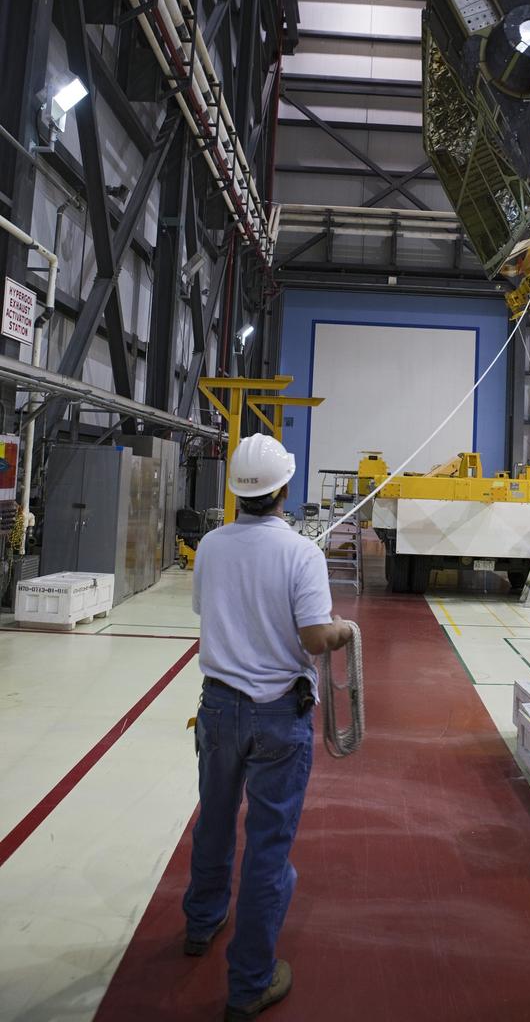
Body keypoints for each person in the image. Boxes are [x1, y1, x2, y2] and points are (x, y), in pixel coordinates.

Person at [183, 433, 353, 1021]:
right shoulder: (301, 554)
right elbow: (313, 637)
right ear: (284, 488)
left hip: (218, 708)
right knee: (267, 847)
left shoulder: (211, 546)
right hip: (278, 714)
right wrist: (345, 630)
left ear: (238, 492)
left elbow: (210, 614)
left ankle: (201, 923)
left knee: (214, 820)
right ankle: (250, 981)